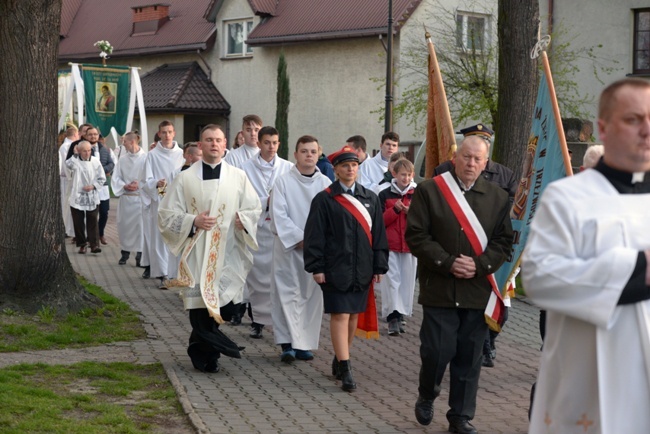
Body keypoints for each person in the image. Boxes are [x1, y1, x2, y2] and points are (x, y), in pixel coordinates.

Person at [522, 78, 650, 433]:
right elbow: (538, 279)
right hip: (591, 389)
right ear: (603, 128)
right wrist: (638, 267)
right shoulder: (567, 199)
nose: (647, 130)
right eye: (633, 119)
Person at [405, 135, 513, 433]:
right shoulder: (430, 190)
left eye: (478, 159)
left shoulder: (498, 197)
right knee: (436, 351)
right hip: (439, 287)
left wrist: (479, 266)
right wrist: (447, 262)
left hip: (476, 290)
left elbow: (503, 242)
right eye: (466, 157)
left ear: (486, 163)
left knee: (469, 357)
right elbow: (416, 235)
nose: (471, 163)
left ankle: (461, 416)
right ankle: (427, 394)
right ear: (456, 157)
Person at [158, 124, 262, 373]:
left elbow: (254, 208)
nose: (214, 144)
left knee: (226, 307)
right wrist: (193, 221)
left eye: (218, 140)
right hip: (197, 249)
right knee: (200, 307)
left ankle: (200, 344)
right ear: (200, 145)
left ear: (225, 144)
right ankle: (208, 355)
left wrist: (243, 219)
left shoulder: (239, 177)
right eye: (208, 140)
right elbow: (166, 214)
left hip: (228, 250)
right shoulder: (185, 178)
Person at [304, 146, 389, 392]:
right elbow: (315, 236)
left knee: (353, 315)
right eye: (344, 166)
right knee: (340, 314)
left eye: (354, 165)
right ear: (337, 170)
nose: (350, 169)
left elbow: (379, 236)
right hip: (335, 267)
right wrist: (316, 266)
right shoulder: (325, 198)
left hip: (362, 267)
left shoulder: (370, 198)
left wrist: (379, 265)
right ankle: (346, 366)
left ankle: (341, 357)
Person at [433, 123, 517, 368]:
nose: (471, 161)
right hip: (456, 251)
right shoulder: (443, 171)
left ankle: (488, 342)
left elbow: (511, 212)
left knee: (500, 302)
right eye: (470, 146)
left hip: (489, 252)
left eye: (482, 143)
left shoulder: (505, 175)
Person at [269, 135, 331, 363]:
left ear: (318, 154)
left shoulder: (325, 184)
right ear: (295, 154)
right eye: (304, 151)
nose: (308, 155)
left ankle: (304, 344)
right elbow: (279, 216)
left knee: (310, 297)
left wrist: (315, 242)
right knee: (286, 294)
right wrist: (302, 238)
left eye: (313, 151)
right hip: (288, 249)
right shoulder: (283, 182)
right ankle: (287, 343)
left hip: (314, 252)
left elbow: (331, 217)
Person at [242, 126, 294, 339]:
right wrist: (267, 201)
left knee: (279, 278)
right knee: (257, 279)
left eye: (274, 143)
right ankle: (257, 321)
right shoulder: (245, 168)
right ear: (259, 143)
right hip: (257, 228)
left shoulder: (289, 167)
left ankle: (281, 323)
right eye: (267, 143)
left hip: (279, 231)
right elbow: (244, 197)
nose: (271, 147)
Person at [141, 120, 184, 288]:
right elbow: (145, 180)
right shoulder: (152, 155)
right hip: (160, 199)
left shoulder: (181, 154)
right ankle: (162, 274)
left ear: (174, 133)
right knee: (159, 237)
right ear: (159, 134)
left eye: (170, 132)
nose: (167, 135)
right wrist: (155, 183)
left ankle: (176, 272)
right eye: (164, 132)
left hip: (178, 199)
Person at [377, 158, 417, 336]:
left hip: (409, 246)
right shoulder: (385, 194)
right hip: (391, 246)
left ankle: (401, 315)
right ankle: (392, 317)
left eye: (409, 175)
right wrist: (394, 210)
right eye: (403, 174)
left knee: (406, 282)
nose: (406, 178)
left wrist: (412, 213)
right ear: (395, 174)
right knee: (392, 281)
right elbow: (379, 222)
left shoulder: (417, 194)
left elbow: (424, 221)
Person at [111, 132, 146, 266]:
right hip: (126, 199)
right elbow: (116, 177)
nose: (123, 144)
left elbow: (149, 176)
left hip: (140, 199)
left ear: (132, 142)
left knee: (140, 228)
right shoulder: (123, 159)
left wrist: (139, 184)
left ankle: (140, 256)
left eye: (124, 141)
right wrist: (124, 185)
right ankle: (124, 254)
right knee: (124, 227)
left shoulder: (145, 158)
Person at [66, 141, 106, 254]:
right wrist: (74, 154)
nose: (87, 153)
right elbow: (68, 165)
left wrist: (93, 186)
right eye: (84, 151)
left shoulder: (95, 161)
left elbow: (102, 178)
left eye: (89, 150)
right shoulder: (74, 161)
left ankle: (94, 245)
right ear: (79, 151)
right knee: (78, 222)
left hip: (91, 195)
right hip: (77, 195)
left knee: (93, 219)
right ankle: (82, 244)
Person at [59, 126, 79, 238]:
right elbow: (66, 164)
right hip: (67, 179)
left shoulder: (66, 146)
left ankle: (70, 228)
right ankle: (66, 228)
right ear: (75, 135)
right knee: (66, 204)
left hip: (70, 178)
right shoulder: (66, 147)